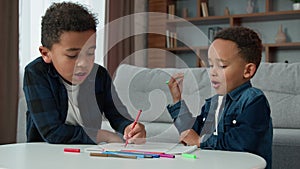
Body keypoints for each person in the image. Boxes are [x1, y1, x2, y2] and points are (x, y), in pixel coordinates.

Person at [23, 2, 146, 144]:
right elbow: (53, 132)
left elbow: (117, 116)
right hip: (44, 154)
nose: (83, 63)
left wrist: (129, 127)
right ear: (46, 53)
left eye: (90, 53)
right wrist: (103, 136)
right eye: (73, 55)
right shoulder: (36, 73)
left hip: (87, 153)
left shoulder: (99, 76)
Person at [167, 27, 273, 169]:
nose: (213, 72)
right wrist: (177, 100)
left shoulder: (253, 100)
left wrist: (201, 141)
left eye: (222, 66)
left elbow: (243, 141)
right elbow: (190, 133)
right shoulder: (213, 103)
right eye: (211, 65)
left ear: (247, 70)